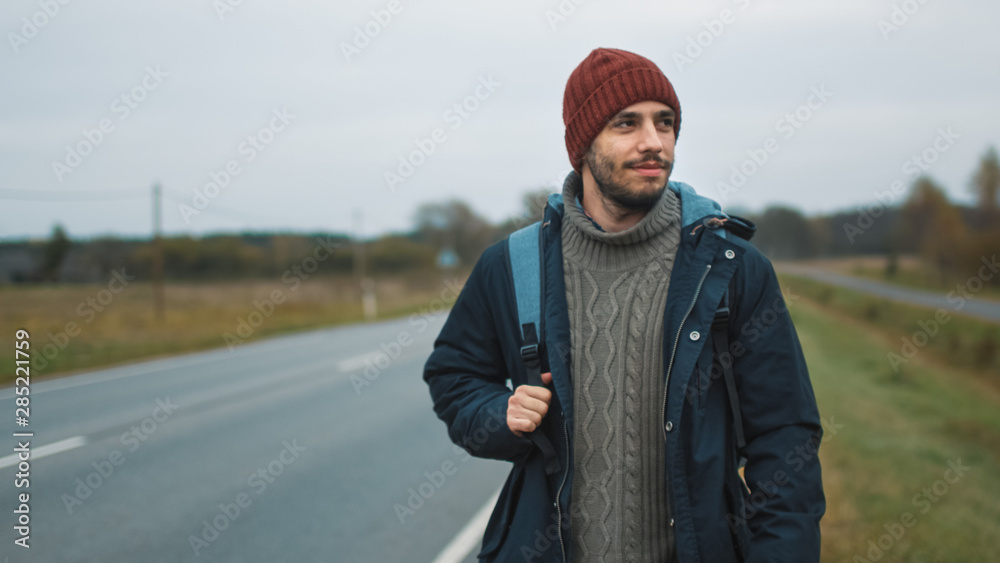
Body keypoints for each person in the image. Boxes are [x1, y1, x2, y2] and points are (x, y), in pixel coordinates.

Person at [423, 47, 824, 563]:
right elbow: (453, 377)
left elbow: (784, 436)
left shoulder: (729, 267)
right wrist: (499, 413)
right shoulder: (512, 266)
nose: (653, 142)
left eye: (666, 122)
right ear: (582, 144)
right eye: (626, 123)